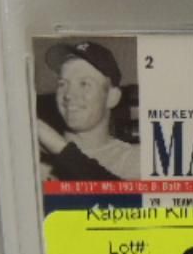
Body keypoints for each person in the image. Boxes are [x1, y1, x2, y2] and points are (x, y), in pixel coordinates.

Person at [37, 40, 140, 180]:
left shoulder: (132, 160)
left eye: (84, 83)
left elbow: (114, 193)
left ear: (112, 97)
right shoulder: (33, 157)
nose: (68, 95)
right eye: (62, 84)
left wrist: (60, 149)